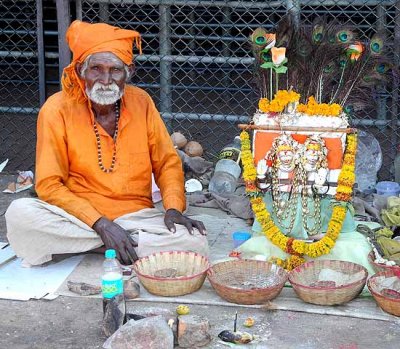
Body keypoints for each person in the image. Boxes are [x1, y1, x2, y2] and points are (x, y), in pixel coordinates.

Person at [5, 20, 208, 266]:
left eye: (115, 70)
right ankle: (118, 243)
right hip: (78, 217)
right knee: (19, 214)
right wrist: (101, 224)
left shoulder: (142, 102)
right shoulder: (56, 109)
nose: (105, 79)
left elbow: (167, 162)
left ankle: (97, 246)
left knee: (196, 242)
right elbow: (48, 184)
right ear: (81, 70)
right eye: (96, 69)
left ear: (129, 73)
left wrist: (173, 209)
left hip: (137, 215)